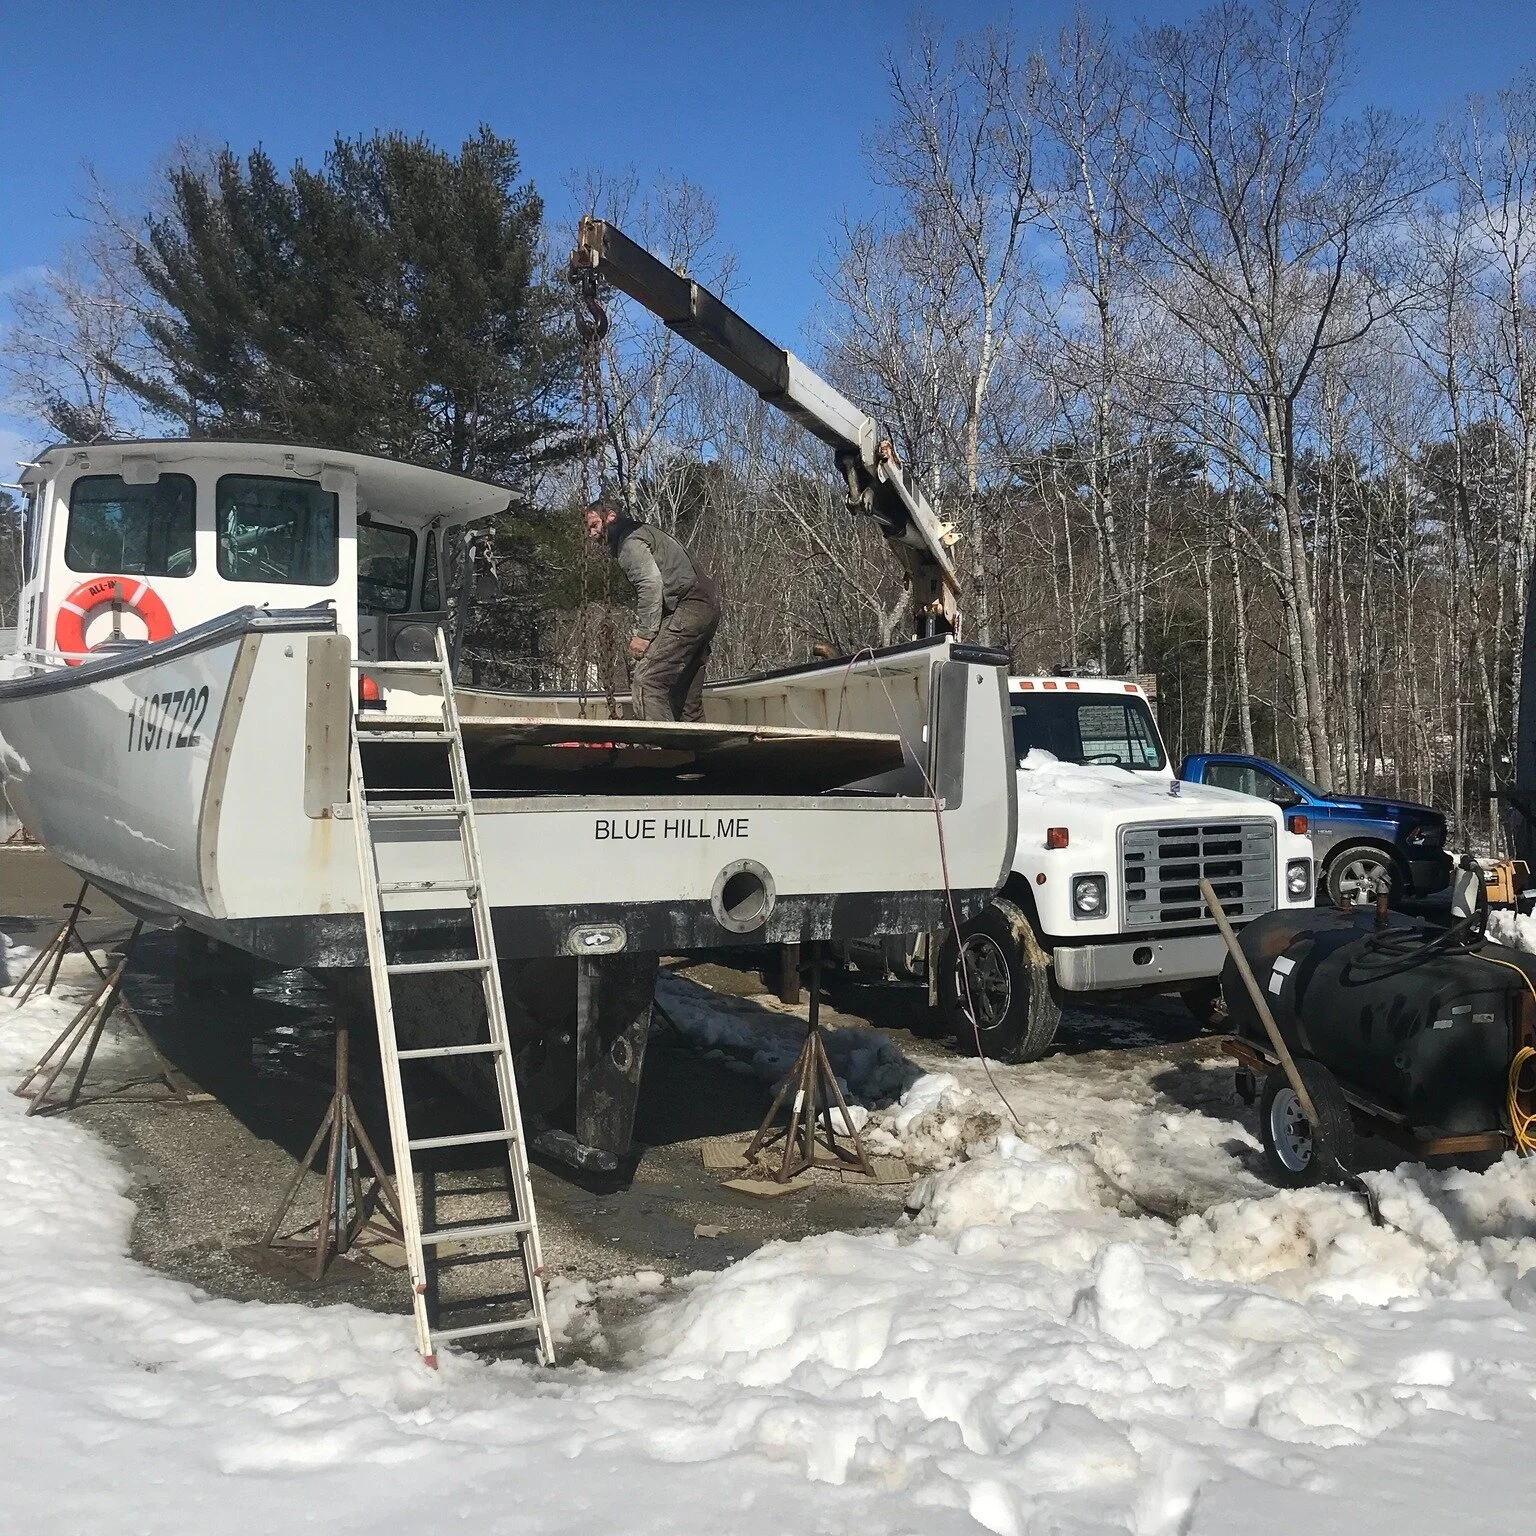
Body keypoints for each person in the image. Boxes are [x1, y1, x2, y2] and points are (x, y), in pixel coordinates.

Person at [584, 497, 721, 722]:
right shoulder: (648, 533)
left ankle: (661, 743)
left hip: (687, 607)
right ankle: (695, 743)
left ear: (611, 517)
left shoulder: (630, 542)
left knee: (647, 681)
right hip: (707, 608)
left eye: (594, 525)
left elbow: (650, 585)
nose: (592, 534)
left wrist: (645, 634)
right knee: (684, 696)